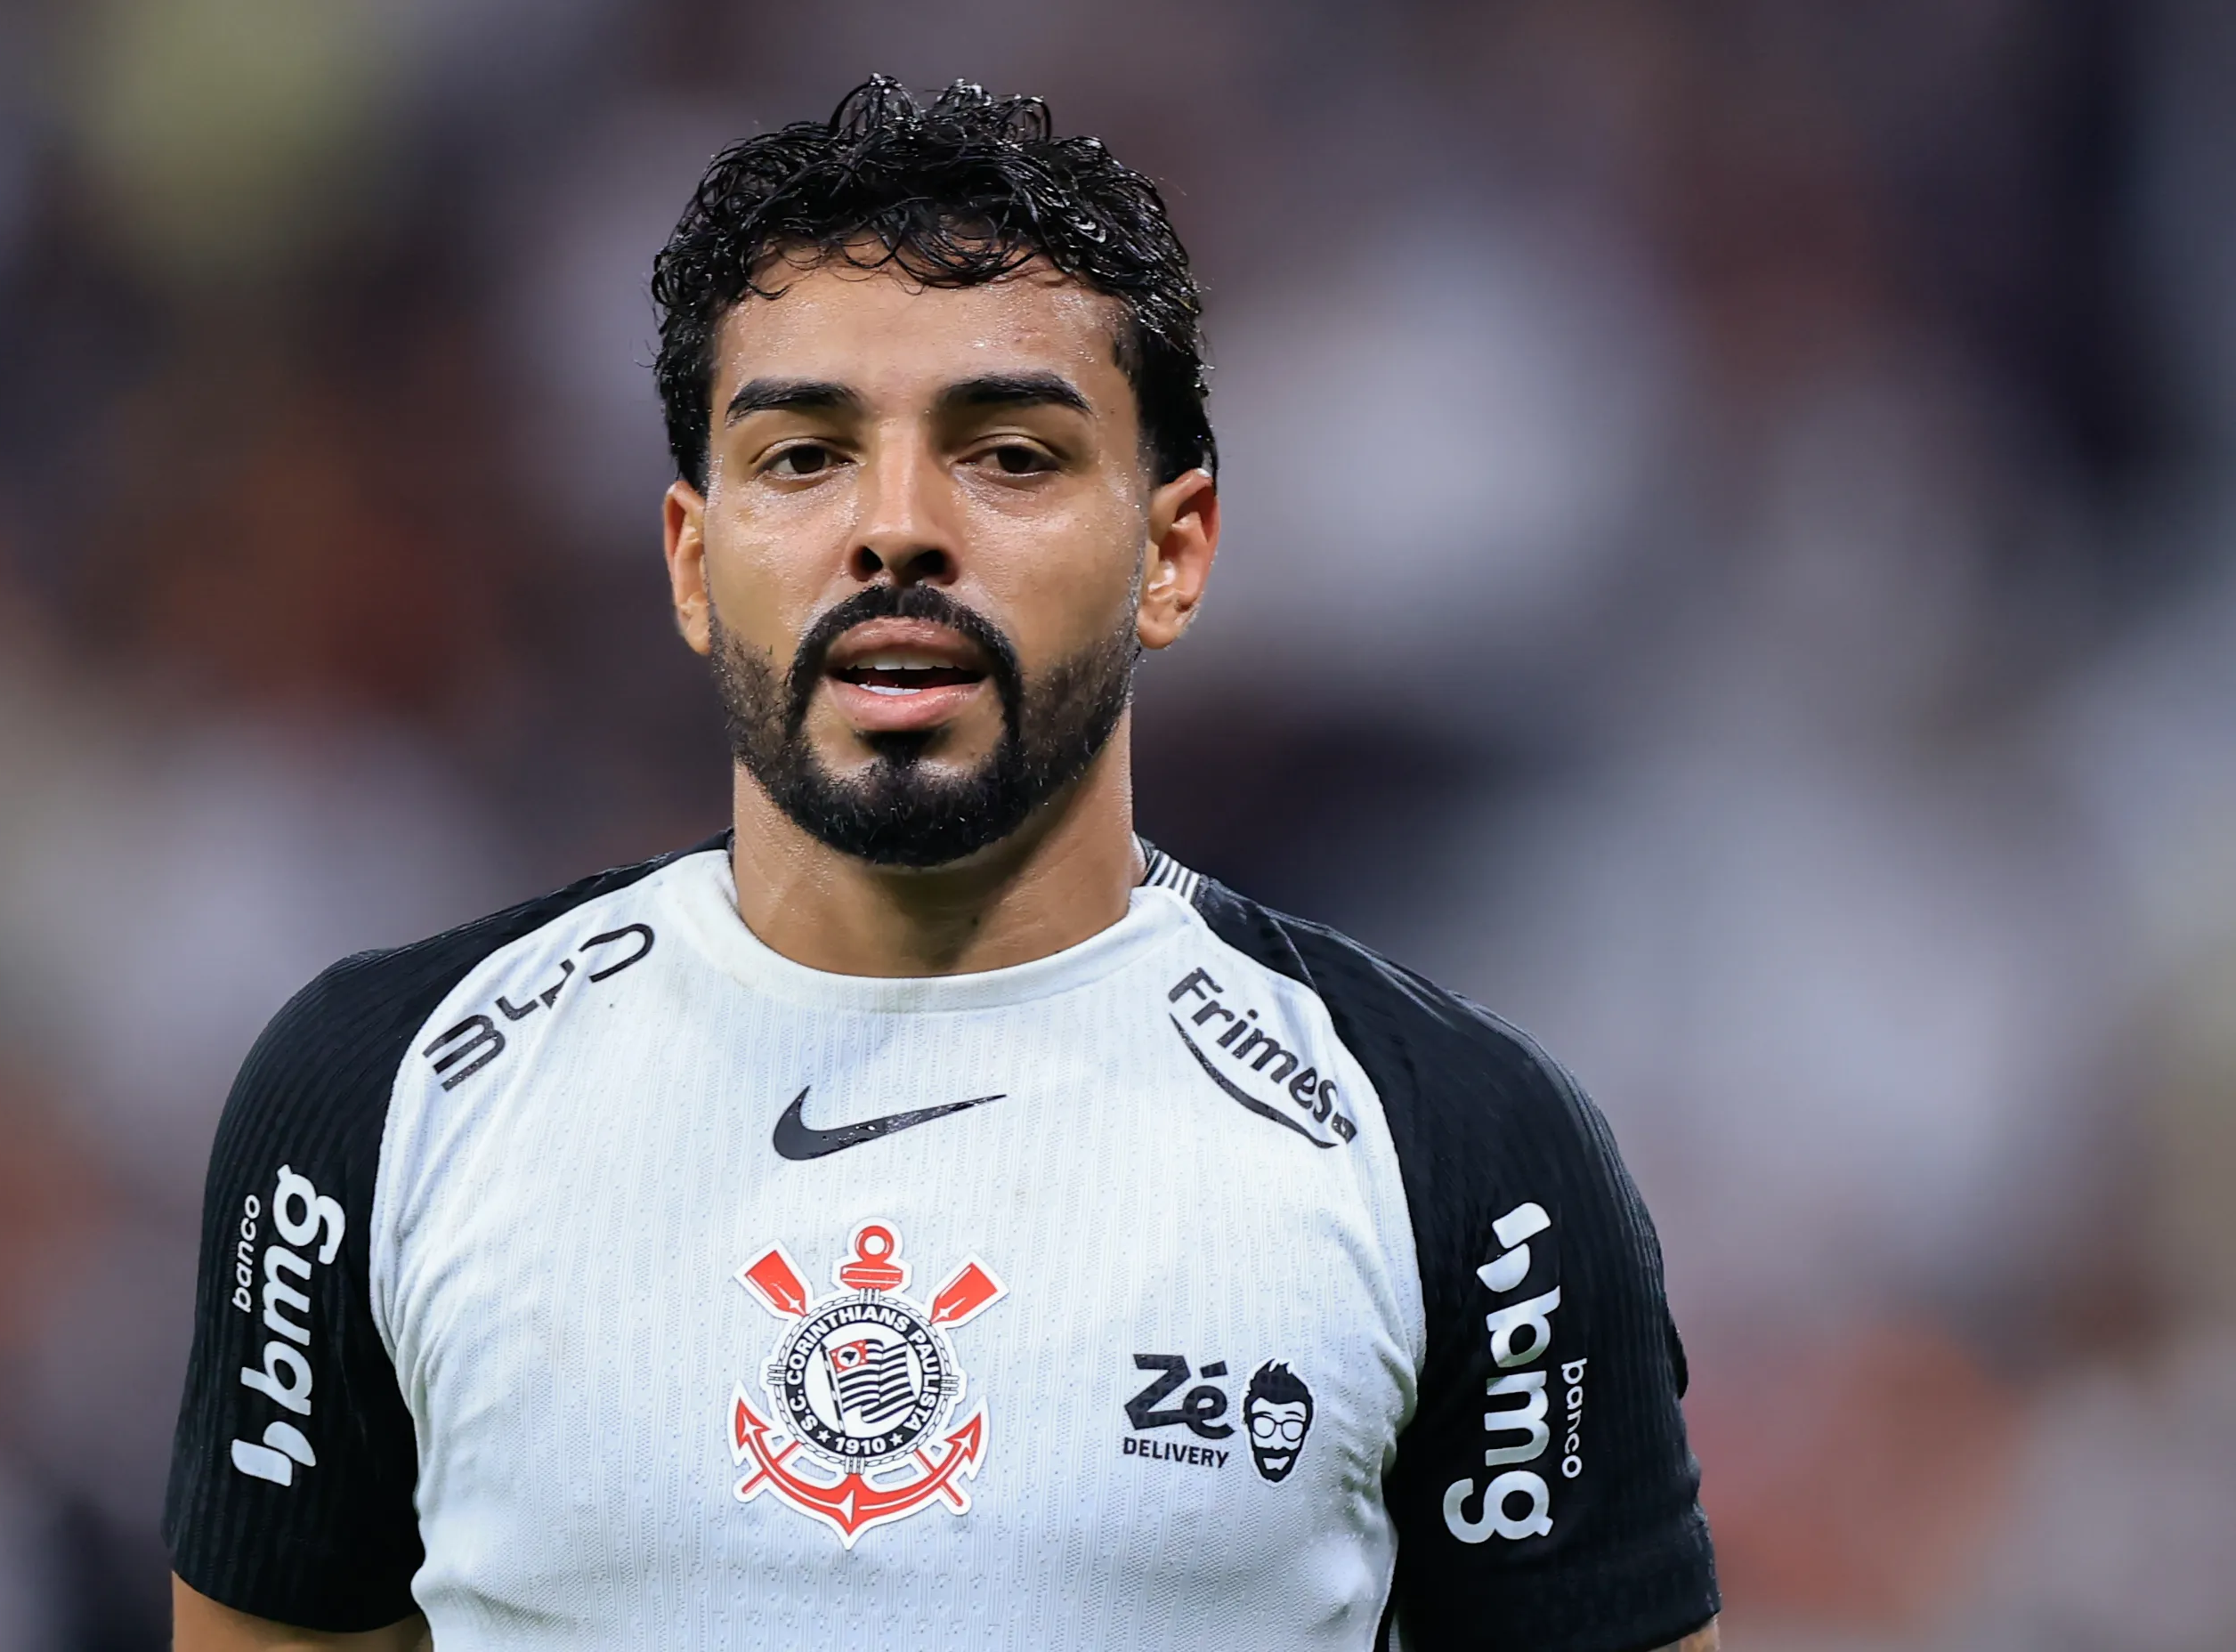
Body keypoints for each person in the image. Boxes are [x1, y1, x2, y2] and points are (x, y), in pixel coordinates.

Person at [162, 77, 1722, 1652]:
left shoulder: (1463, 1157)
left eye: (1010, 456)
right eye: (801, 457)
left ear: (1170, 556)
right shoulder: (380, 1103)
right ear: (694, 564)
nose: (896, 528)